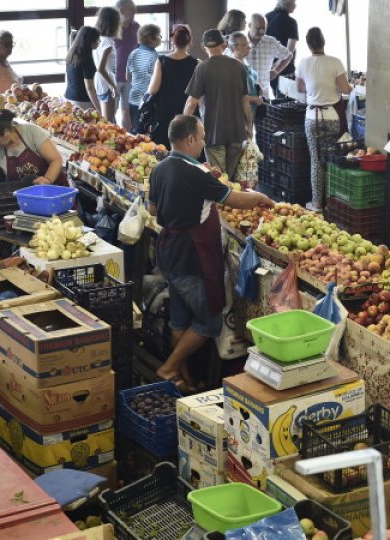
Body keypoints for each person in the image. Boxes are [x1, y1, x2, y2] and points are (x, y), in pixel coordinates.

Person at [149, 114, 272, 391]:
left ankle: (183, 378)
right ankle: (168, 369)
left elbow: (153, 210)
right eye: (202, 137)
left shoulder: (160, 168)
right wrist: (261, 199)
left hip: (169, 253)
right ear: (190, 139)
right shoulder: (195, 172)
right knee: (209, 321)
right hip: (193, 257)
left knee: (180, 319)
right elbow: (234, 198)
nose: (204, 142)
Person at [296, 27, 351, 212]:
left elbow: (300, 88)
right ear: (323, 41)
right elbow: (345, 88)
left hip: (311, 117)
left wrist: (315, 87)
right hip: (332, 117)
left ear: (308, 43)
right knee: (333, 159)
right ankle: (334, 203)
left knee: (316, 160)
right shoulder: (335, 62)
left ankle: (317, 204)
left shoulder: (303, 63)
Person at [184, 29, 251, 175]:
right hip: (237, 133)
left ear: (203, 47)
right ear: (225, 45)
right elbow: (245, 101)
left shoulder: (202, 68)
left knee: (219, 179)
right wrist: (249, 127)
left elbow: (191, 102)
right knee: (233, 179)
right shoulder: (239, 67)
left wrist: (183, 125)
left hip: (213, 133)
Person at [0, 110, 66, 190]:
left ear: (6, 133)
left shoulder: (31, 133)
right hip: (24, 198)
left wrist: (47, 179)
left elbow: (56, 160)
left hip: (53, 191)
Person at [147, 24, 199, 148]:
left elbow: (153, 90)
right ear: (189, 41)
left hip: (165, 111)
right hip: (187, 111)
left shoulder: (162, 61)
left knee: (164, 147)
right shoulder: (197, 64)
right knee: (187, 145)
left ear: (172, 40)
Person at [247, 13, 293, 99]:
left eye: (263, 28)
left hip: (264, 96)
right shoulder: (240, 42)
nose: (261, 31)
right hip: (244, 96)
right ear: (249, 25)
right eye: (258, 28)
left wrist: (276, 71)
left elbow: (288, 55)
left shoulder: (270, 42)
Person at [126, 24, 161, 130]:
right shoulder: (155, 57)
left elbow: (128, 77)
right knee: (148, 133)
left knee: (136, 129)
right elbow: (156, 82)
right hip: (147, 101)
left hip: (133, 98)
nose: (160, 38)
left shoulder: (133, 53)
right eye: (159, 35)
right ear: (151, 39)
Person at [114, 0, 140, 131]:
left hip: (131, 77)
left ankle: (127, 138)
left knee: (127, 110)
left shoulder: (136, 27)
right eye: (131, 10)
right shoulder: (112, 28)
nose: (134, 12)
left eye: (134, 10)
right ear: (121, 11)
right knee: (110, 113)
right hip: (113, 78)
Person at [228, 31, 264, 128]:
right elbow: (235, 95)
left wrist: (258, 88)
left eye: (248, 43)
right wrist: (254, 99)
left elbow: (251, 81)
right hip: (240, 115)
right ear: (235, 48)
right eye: (244, 45)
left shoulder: (244, 61)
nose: (249, 47)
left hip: (251, 113)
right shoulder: (232, 66)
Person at [94, 7, 122, 124]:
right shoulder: (108, 43)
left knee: (109, 120)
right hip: (106, 84)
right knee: (108, 122)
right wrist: (113, 86)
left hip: (100, 83)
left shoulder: (98, 39)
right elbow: (101, 68)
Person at [266, 0, 299, 97]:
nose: (295, 6)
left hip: (268, 66)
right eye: (294, 3)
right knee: (287, 103)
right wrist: (278, 66)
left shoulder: (266, 17)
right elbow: (290, 50)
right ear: (288, 3)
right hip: (286, 68)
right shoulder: (291, 22)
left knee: (274, 101)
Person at [65, 26, 102, 111]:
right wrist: (99, 109)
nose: (98, 43)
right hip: (82, 102)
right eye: (97, 40)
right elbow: (90, 88)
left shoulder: (71, 54)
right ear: (90, 42)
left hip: (69, 98)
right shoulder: (86, 59)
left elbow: (67, 77)